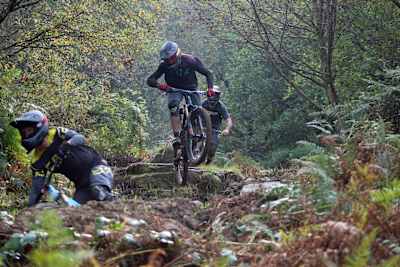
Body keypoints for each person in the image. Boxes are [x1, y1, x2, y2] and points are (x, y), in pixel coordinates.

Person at [10, 110, 113, 207]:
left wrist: (68, 144)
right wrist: (30, 210)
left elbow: (80, 138)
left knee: (99, 192)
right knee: (79, 212)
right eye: (24, 132)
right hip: (82, 186)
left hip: (97, 166)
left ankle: (125, 210)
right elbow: (36, 190)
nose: (27, 134)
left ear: (39, 126)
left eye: (29, 130)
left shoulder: (58, 133)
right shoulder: (37, 162)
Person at [147, 40, 215, 145]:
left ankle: (197, 139)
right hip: (174, 89)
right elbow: (150, 80)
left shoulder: (190, 60)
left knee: (198, 110)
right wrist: (160, 85)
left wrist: (210, 88)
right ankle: (177, 137)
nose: (169, 61)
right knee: (173, 106)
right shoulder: (164, 65)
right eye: (167, 59)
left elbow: (208, 73)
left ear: (177, 54)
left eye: (172, 58)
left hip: (191, 88)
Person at [202, 86, 233, 163]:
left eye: (215, 95)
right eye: (211, 94)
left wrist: (227, 129)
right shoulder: (203, 103)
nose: (212, 97)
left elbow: (228, 119)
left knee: (213, 147)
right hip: (202, 127)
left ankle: (208, 162)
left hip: (214, 129)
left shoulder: (221, 106)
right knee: (197, 141)